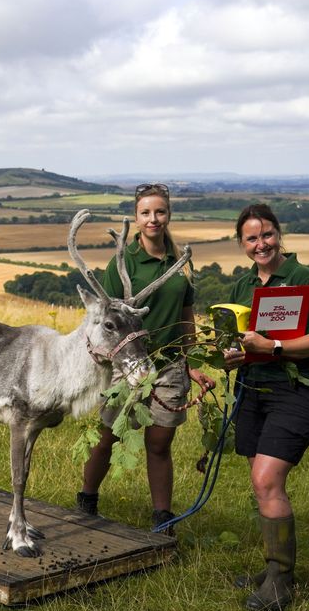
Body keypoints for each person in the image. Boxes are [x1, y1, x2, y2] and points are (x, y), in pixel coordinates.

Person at [77, 182, 215, 532]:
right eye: (145, 213)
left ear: (168, 214)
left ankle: (162, 518)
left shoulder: (181, 264)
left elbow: (187, 318)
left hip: (168, 365)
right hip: (126, 365)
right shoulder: (122, 262)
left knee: (159, 442)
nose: (153, 219)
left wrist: (193, 364)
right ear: (136, 218)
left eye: (160, 212)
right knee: (109, 435)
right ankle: (87, 500)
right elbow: (103, 319)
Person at [223, 203, 309, 611]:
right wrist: (231, 357)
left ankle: (282, 584)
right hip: (253, 392)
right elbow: (238, 343)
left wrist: (276, 347)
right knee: (259, 482)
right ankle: (272, 571)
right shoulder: (241, 286)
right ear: (242, 244)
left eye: (267, 234)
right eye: (251, 238)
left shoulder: (303, 279)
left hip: (296, 393)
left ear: (278, 234)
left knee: (267, 480)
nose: (260, 244)